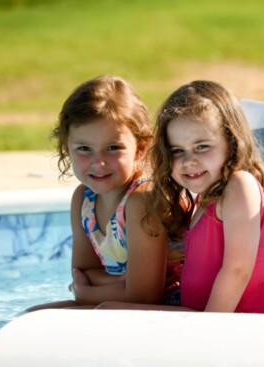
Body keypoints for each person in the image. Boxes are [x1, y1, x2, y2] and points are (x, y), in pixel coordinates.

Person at [99, 80, 264, 313]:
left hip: (233, 324)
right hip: (200, 318)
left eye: (202, 146)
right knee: (97, 310)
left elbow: (237, 270)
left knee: (107, 312)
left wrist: (205, 327)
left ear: (232, 141)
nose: (189, 161)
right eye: (178, 151)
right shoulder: (201, 202)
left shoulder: (240, 185)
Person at [27, 75, 182, 311]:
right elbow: (83, 273)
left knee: (100, 310)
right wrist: (121, 282)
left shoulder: (141, 199)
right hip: (123, 302)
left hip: (177, 305)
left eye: (113, 148)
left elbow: (143, 295)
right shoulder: (83, 199)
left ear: (140, 148)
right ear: (66, 148)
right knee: (34, 315)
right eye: (84, 149)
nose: (98, 162)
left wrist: (88, 292)